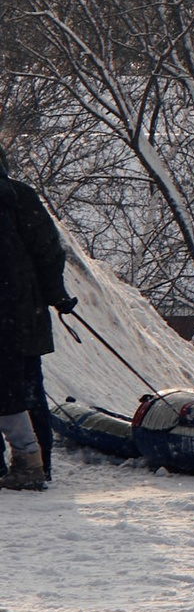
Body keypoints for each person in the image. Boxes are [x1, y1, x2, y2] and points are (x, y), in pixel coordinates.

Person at [0, 147, 73, 491]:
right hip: (21, 316)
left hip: (14, 314)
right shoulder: (21, 197)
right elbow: (48, 250)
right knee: (28, 391)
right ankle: (37, 465)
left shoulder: (16, 199)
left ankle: (23, 465)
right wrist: (55, 294)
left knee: (14, 391)